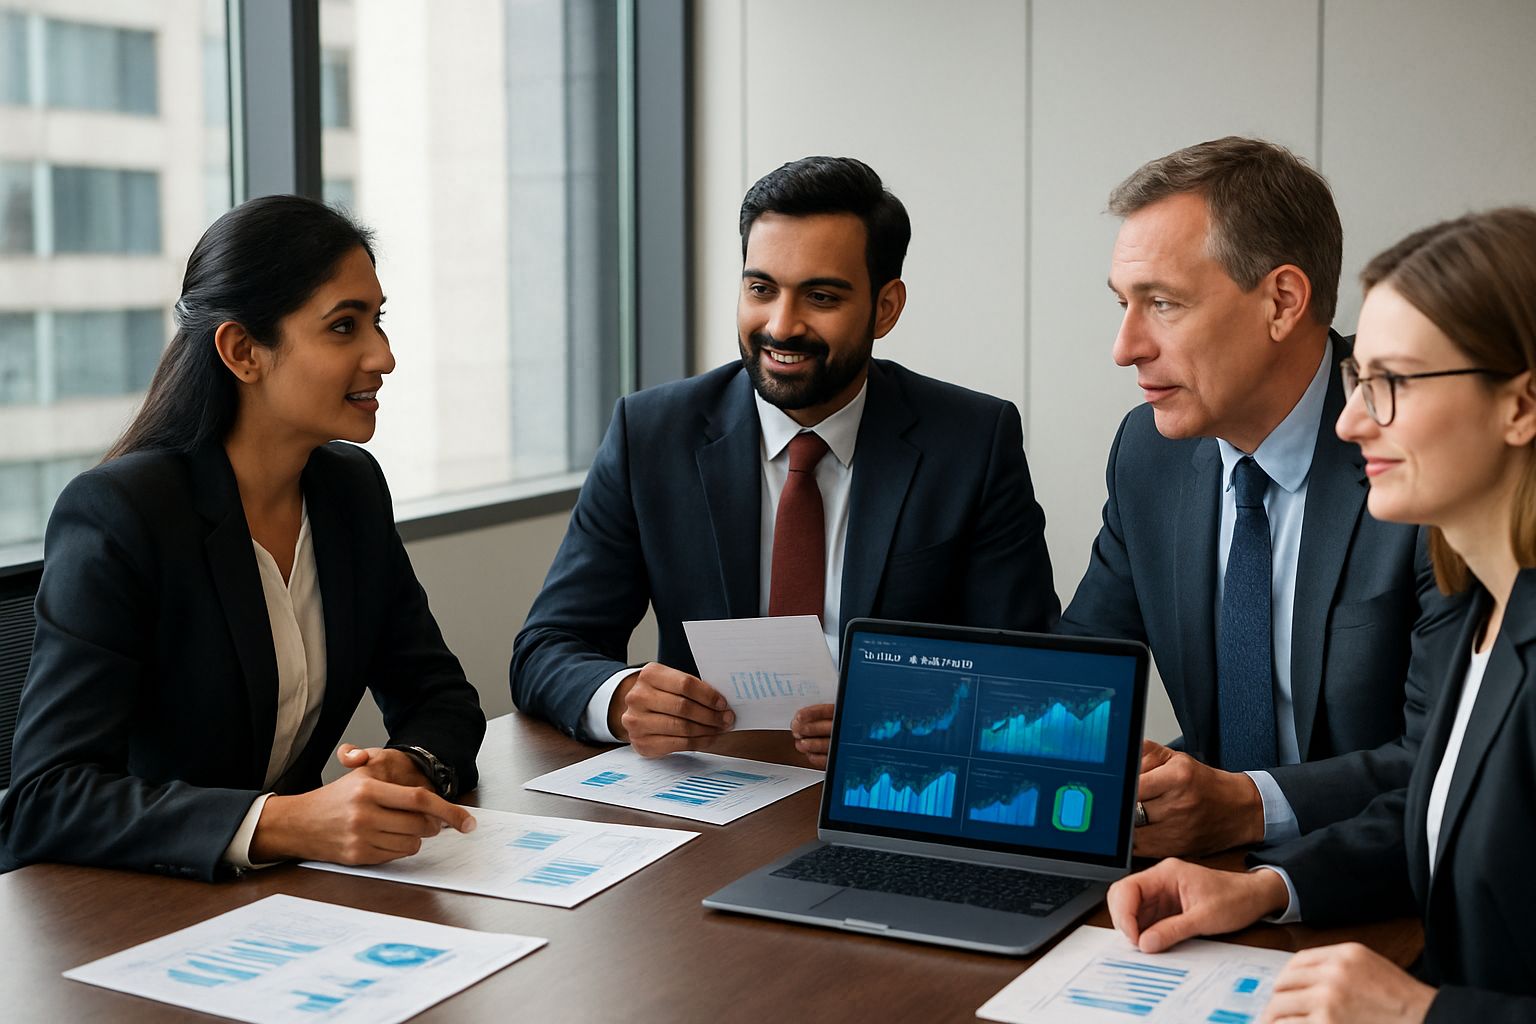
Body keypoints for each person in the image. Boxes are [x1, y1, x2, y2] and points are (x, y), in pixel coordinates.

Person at [1105, 207, 1536, 1022]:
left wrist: (1417, 1015)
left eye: (1391, 386)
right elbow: (1428, 815)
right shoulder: (1491, 604)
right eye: (1357, 380)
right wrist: (1266, 889)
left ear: (1522, 406)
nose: (1349, 421)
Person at [0, 195, 484, 881]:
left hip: (279, 901)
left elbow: (441, 698)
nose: (384, 356)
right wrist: (286, 821)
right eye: (344, 327)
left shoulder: (350, 491)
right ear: (242, 351)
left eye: (378, 321)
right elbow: (46, 800)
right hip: (131, 912)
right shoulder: (121, 514)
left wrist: (406, 765)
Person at [512, 156, 1059, 760]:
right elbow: (547, 648)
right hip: (710, 786)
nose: (781, 325)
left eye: (820, 296)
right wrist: (618, 698)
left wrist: (902, 718)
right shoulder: (650, 435)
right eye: (760, 289)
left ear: (886, 307)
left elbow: (1028, 667)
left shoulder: (972, 442)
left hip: (898, 779)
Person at [1060, 137, 1458, 857]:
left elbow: (1448, 756)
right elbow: (1079, 670)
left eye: (1162, 303)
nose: (1125, 347)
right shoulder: (1148, 452)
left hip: (1386, 888)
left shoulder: (1418, 454)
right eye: (1123, 304)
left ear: (1281, 301)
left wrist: (1249, 807)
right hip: (1198, 878)